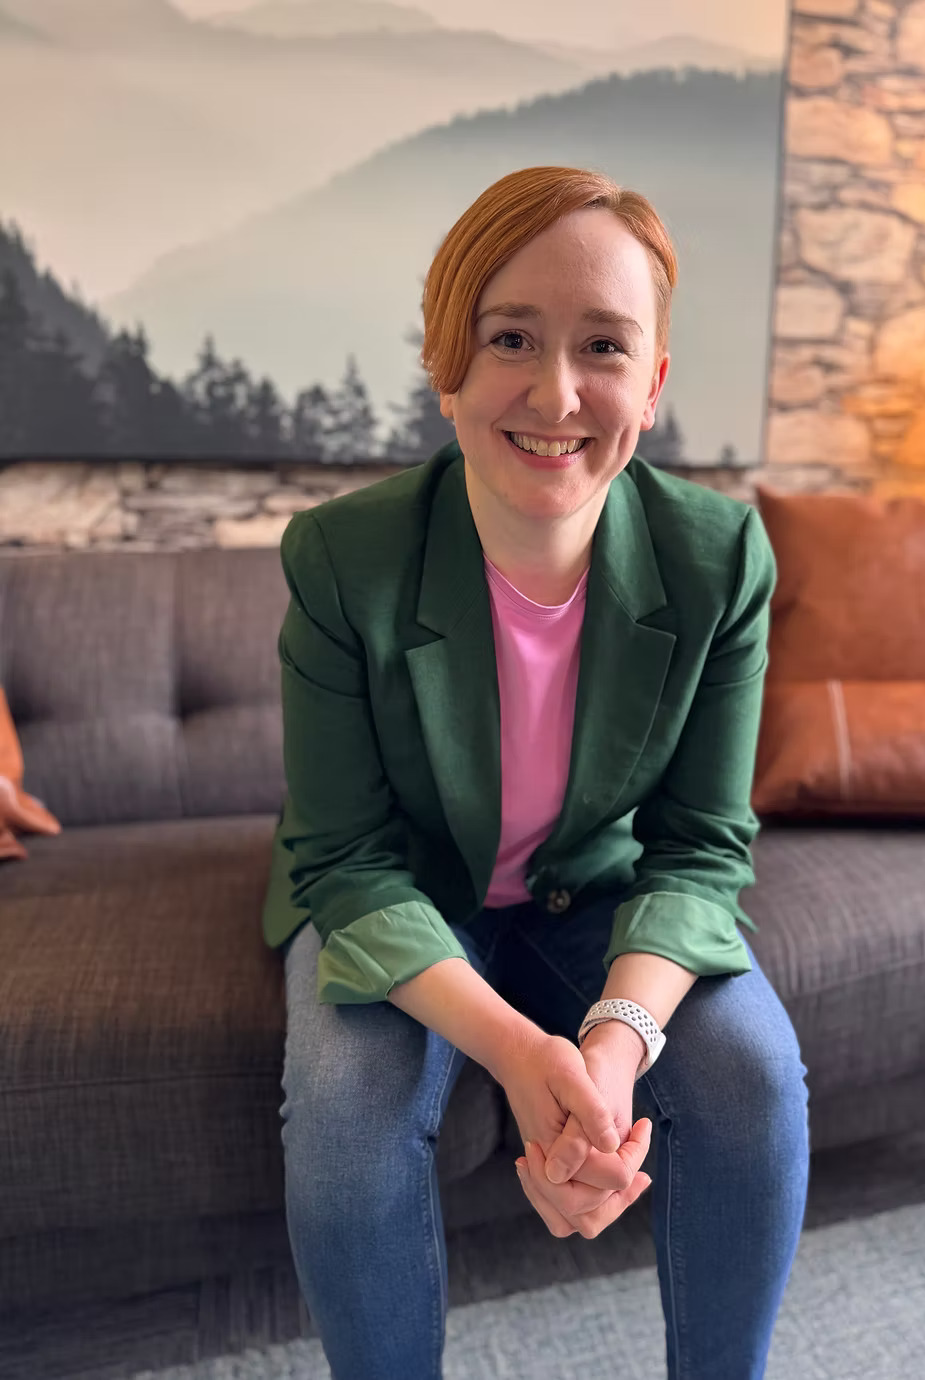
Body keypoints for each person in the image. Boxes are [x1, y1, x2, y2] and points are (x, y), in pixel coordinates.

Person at [261, 164, 810, 1380]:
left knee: (756, 1079)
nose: (557, 394)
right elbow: (343, 857)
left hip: (596, 889)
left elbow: (701, 849)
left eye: (604, 346)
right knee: (347, 1123)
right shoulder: (342, 558)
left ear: (652, 384)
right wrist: (521, 1054)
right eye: (511, 337)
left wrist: (611, 1048)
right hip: (402, 895)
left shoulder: (721, 558)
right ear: (447, 365)